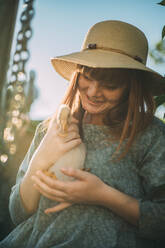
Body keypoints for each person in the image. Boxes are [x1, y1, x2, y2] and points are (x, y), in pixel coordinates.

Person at [0, 20, 165, 248]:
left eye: (110, 84)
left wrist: (102, 195)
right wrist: (41, 157)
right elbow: (18, 213)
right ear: (77, 74)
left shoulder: (151, 135)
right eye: (88, 76)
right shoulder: (51, 128)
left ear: (131, 86)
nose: (94, 92)